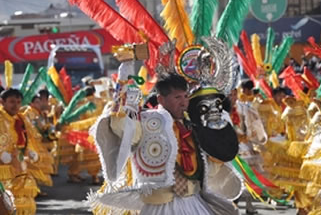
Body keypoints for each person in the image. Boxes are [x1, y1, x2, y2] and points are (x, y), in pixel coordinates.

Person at [88, 62, 240, 215]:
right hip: (160, 206)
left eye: (186, 96)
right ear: (161, 100)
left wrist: (218, 155)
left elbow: (205, 166)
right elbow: (121, 126)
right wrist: (122, 83)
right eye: (177, 97)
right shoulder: (147, 121)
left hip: (194, 201)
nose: (184, 102)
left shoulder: (193, 125)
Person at [0, 88, 39, 215]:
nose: (15, 105)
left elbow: (25, 141)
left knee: (23, 203)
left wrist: (30, 152)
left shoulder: (20, 119)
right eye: (12, 102)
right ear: (2, 102)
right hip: (2, 172)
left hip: (19, 168)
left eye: (18, 102)